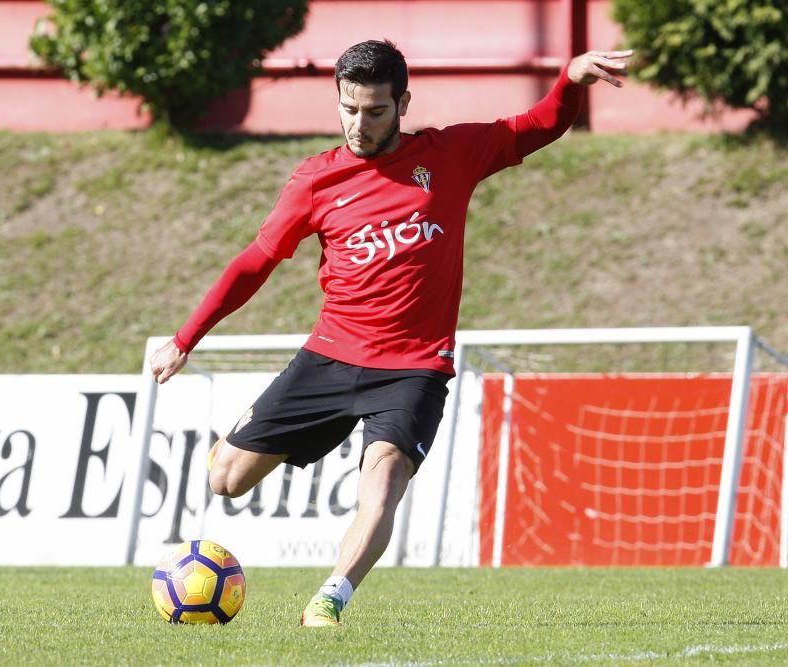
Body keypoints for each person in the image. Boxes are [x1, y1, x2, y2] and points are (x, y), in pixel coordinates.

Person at [150, 40, 631, 627]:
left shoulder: (451, 153)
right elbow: (255, 262)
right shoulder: (315, 181)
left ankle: (330, 599)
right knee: (225, 479)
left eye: (375, 111)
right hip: (328, 358)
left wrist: (571, 80)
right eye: (349, 109)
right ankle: (289, 445)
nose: (360, 123)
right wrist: (186, 337)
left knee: (382, 482)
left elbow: (540, 125)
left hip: (413, 368)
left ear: (403, 102)